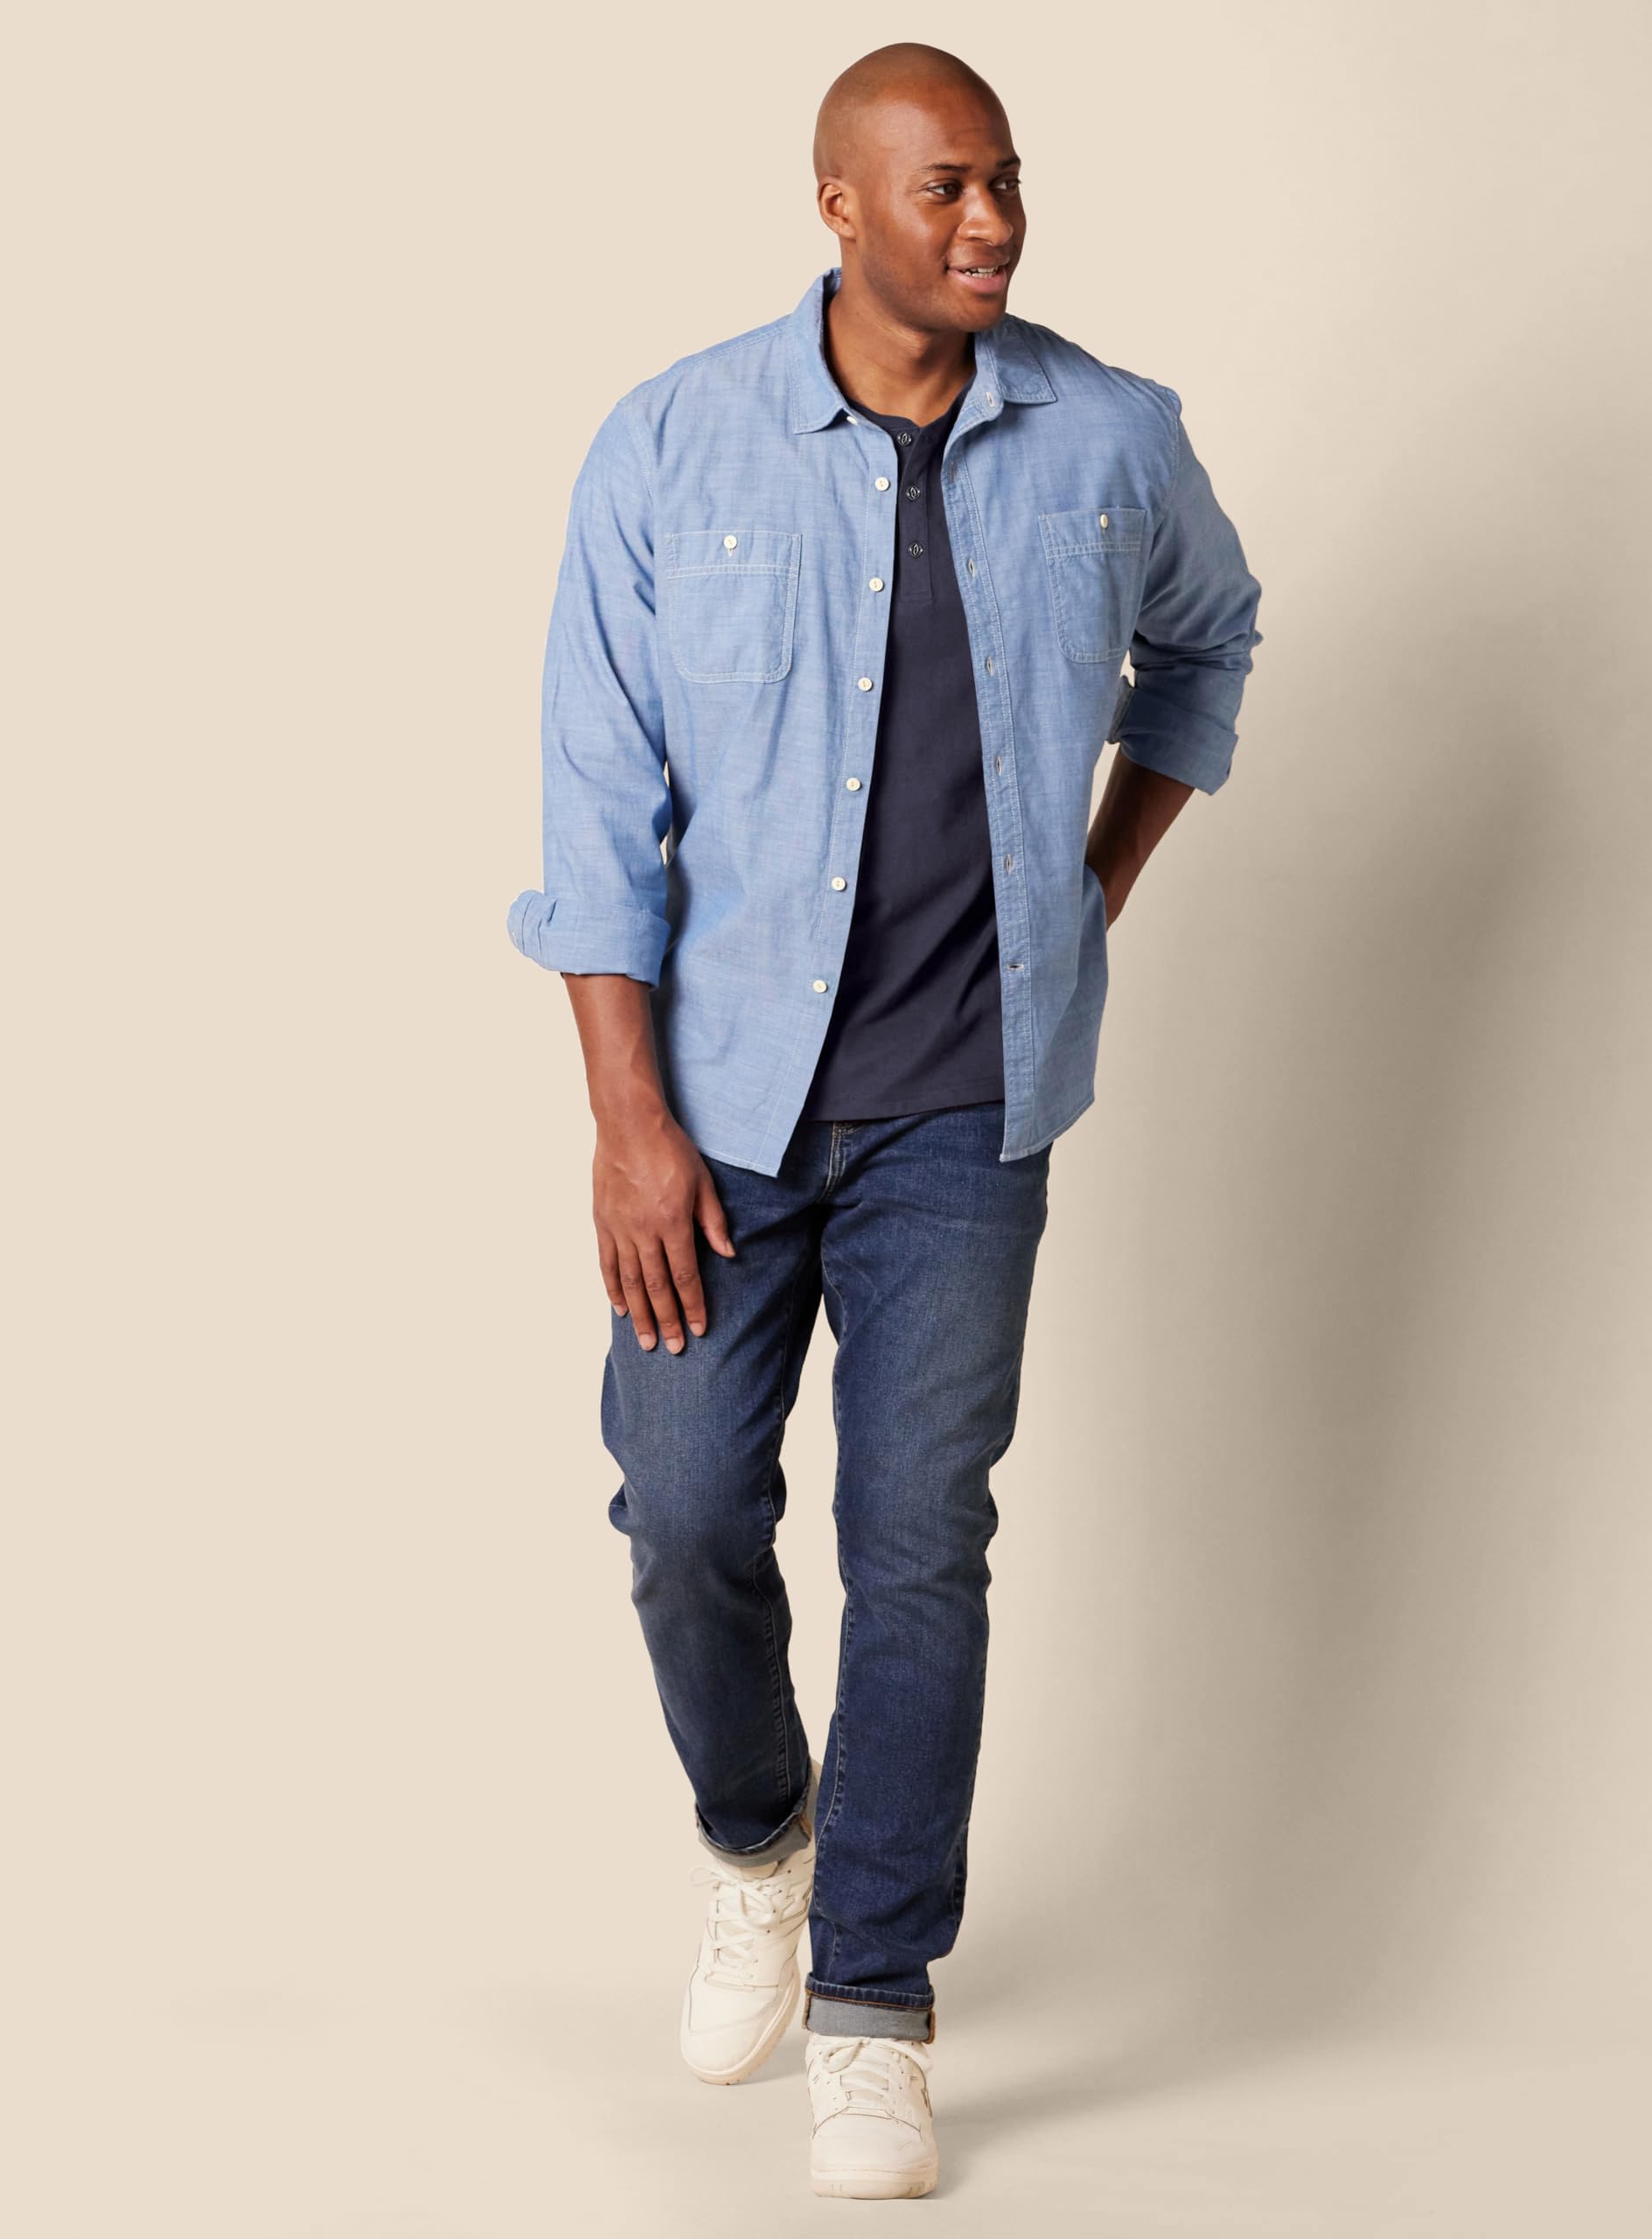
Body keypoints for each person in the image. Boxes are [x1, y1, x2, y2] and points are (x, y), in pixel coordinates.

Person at [504, 40, 1263, 2201]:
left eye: (1006, 179)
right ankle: (762, 1835)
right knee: (679, 1508)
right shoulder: (673, 442)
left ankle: (871, 2003)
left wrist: (1084, 892)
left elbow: (1208, 647)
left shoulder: (1110, 438)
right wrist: (626, 1121)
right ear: (837, 205)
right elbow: (594, 805)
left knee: (918, 1535)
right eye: (944, 186)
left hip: (963, 1113)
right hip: (719, 1107)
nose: (990, 220)